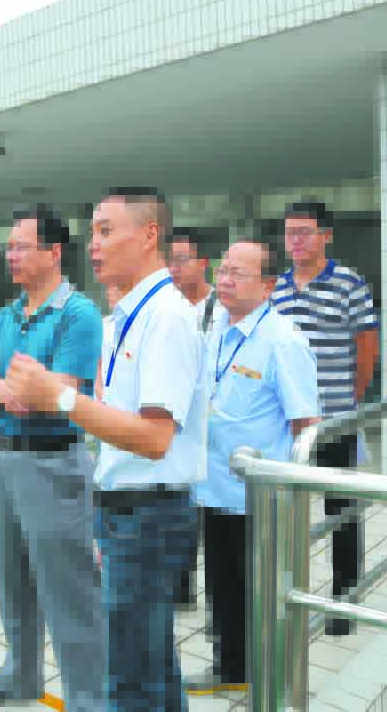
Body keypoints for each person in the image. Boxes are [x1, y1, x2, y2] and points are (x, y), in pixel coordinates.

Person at [5, 188, 206, 712]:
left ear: (149, 234)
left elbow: (155, 438)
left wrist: (58, 397)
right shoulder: (126, 316)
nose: (93, 244)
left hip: (150, 513)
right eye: (93, 231)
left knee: (129, 676)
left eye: (106, 230)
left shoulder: (166, 316)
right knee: (151, 667)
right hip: (128, 509)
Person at [0, 206, 105, 711]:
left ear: (53, 252)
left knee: (70, 589)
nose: (11, 255)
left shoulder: (78, 315)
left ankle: (89, 698)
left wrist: (17, 390)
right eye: (9, 246)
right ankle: (20, 677)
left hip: (53, 463)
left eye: (20, 246)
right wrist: (6, 389)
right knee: (14, 579)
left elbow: (61, 392)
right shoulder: (6, 316)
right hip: (4, 459)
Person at [185, 238, 320, 695]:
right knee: (223, 588)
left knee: (261, 593)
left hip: (261, 500)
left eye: (237, 273)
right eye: (222, 270)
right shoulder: (216, 328)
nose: (224, 280)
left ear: (267, 286)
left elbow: (306, 426)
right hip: (214, 487)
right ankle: (231, 669)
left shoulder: (283, 341)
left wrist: (295, 497)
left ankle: (272, 681)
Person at [271, 200, 379, 636]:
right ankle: (287, 599)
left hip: (334, 421)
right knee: (285, 515)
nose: (295, 240)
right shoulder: (277, 288)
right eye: (290, 232)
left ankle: (343, 605)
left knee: (342, 514)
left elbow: (367, 347)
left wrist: (348, 401)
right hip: (288, 426)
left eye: (305, 231)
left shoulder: (349, 283)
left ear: (326, 236)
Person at [167, 225, 222, 611]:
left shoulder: (221, 308)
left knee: (210, 512)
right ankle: (181, 589)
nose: (174, 268)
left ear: (203, 262)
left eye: (182, 260)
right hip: (175, 425)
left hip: (213, 427)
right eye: (169, 260)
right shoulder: (167, 308)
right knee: (179, 508)